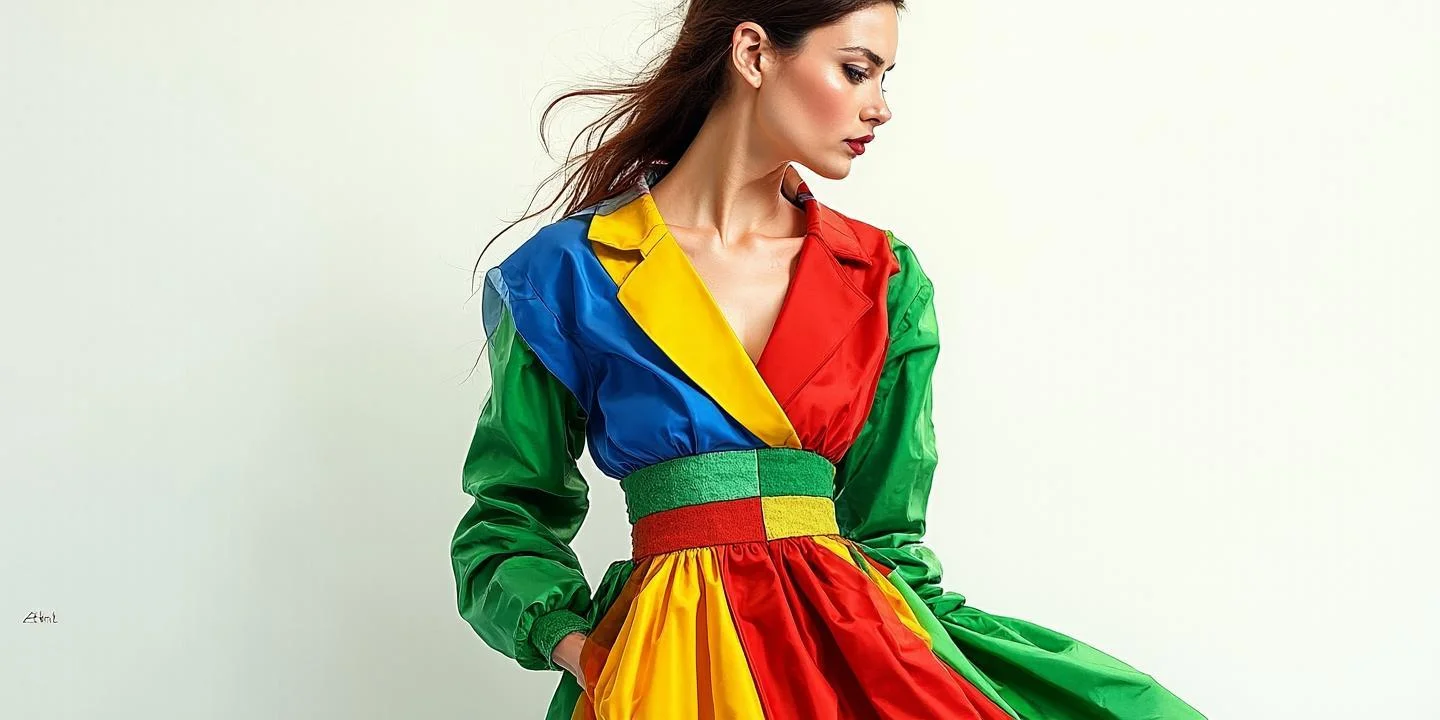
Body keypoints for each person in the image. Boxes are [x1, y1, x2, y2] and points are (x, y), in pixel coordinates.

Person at [451, 1, 1207, 718]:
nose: (880, 107)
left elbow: (887, 538)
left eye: (884, 78)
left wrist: (971, 667)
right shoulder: (565, 274)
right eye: (856, 70)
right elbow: (508, 516)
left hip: (848, 655)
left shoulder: (884, 278)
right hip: (669, 666)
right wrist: (586, 653)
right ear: (754, 53)